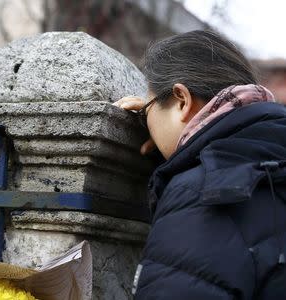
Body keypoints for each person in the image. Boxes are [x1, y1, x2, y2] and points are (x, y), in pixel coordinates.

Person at [114, 30, 286, 299]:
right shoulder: (270, 157)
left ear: (181, 100)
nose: (145, 120)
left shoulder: (202, 190)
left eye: (147, 110)